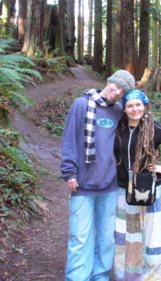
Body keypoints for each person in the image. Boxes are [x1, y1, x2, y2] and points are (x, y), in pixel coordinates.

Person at [60, 70, 135, 281]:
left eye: (122, 91)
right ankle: (77, 277)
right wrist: (69, 172)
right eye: (116, 86)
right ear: (109, 81)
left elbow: (130, 140)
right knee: (80, 237)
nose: (117, 92)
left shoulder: (119, 112)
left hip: (109, 185)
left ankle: (100, 276)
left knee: (106, 238)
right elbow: (69, 139)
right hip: (82, 184)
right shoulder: (81, 104)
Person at [113, 90, 161, 280]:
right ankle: (128, 275)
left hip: (152, 191)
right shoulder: (119, 129)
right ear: (124, 109)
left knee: (153, 235)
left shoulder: (153, 128)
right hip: (125, 191)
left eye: (138, 105)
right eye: (130, 105)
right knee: (127, 235)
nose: (134, 109)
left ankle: (153, 275)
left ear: (145, 106)